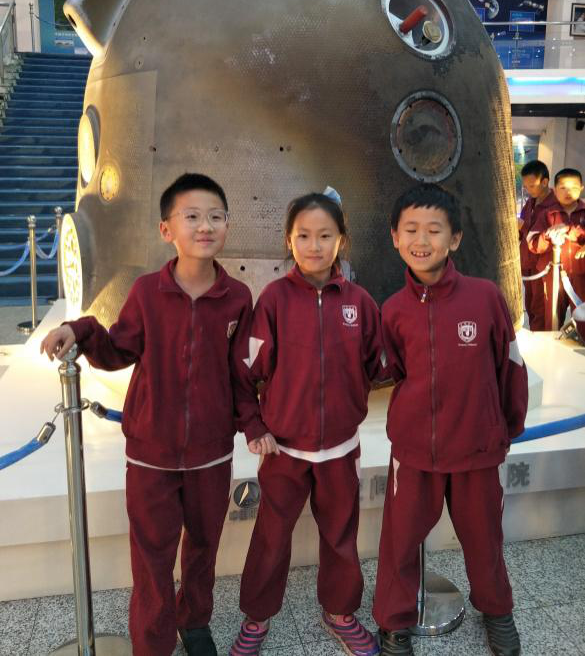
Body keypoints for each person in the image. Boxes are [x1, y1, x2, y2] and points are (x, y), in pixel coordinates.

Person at [39, 173, 266, 656]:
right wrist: (80, 330)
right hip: (151, 456)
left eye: (216, 216)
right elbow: (117, 349)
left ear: (227, 225)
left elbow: (239, 372)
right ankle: (153, 643)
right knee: (151, 557)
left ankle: (194, 621)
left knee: (203, 546)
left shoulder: (237, 298)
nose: (205, 226)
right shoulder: (146, 292)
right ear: (167, 230)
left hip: (210, 453)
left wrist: (252, 423)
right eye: (192, 216)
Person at [373, 183, 528, 656]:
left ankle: (497, 611)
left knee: (484, 540)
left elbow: (509, 365)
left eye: (434, 229)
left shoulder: (485, 298)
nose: (422, 239)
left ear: (455, 238)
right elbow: (395, 372)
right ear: (395, 237)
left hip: (477, 447)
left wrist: (506, 427)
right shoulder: (392, 310)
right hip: (414, 450)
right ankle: (394, 622)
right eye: (411, 229)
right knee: (400, 542)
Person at [230, 191, 385, 656]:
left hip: (340, 449)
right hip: (284, 451)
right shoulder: (274, 301)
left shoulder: (360, 303)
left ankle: (340, 612)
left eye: (324, 236)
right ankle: (257, 617)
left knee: (340, 536)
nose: (314, 246)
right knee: (271, 538)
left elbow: (380, 365)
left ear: (342, 240)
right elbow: (245, 370)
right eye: (303, 236)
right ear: (288, 240)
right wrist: (254, 426)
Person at [527, 168, 585, 330]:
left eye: (574, 187)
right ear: (555, 189)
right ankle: (548, 344)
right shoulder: (547, 214)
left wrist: (569, 230)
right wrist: (547, 236)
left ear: (581, 188)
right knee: (550, 317)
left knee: (582, 315)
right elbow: (532, 243)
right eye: (563, 187)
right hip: (552, 275)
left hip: (581, 275)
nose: (568, 192)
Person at [518, 160, 556, 330]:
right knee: (530, 305)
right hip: (527, 263)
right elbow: (522, 230)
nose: (528, 190)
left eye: (531, 186)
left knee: (541, 308)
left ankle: (539, 340)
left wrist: (523, 227)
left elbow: (542, 240)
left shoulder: (555, 206)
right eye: (525, 186)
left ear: (545, 182)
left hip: (543, 266)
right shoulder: (531, 202)